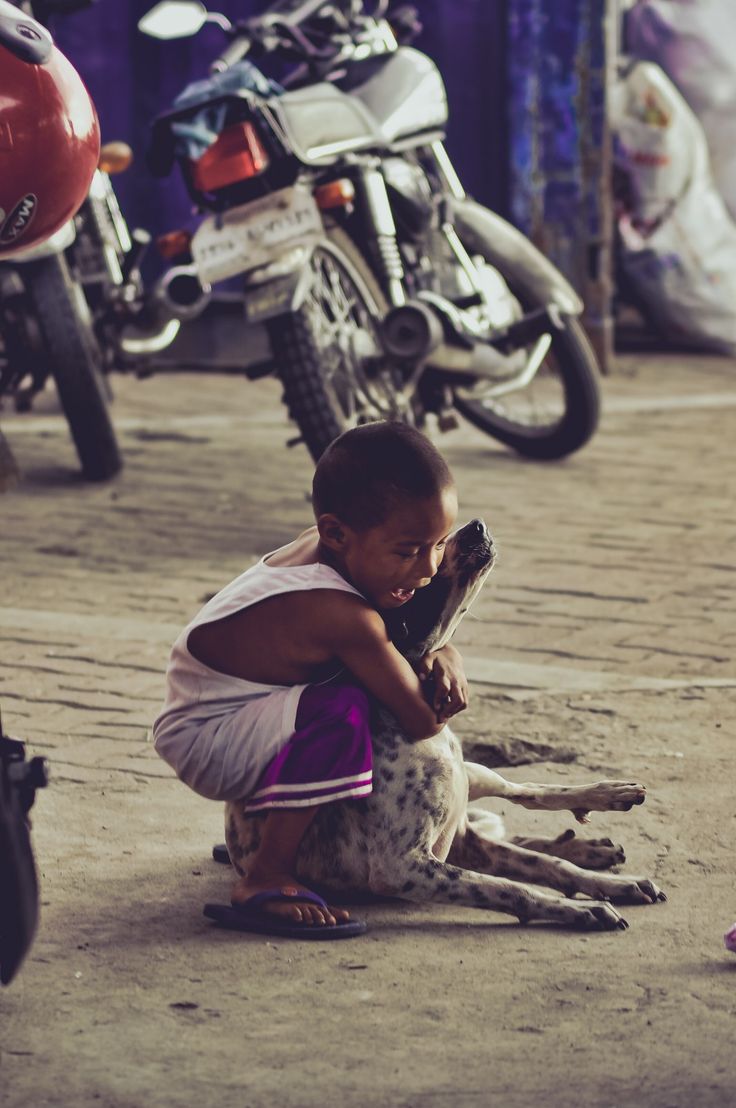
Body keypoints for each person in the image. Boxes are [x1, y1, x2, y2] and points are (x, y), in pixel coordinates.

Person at [152, 421, 468, 934]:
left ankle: (285, 825)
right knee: (343, 710)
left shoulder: (333, 553)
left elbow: (405, 641)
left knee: (346, 695)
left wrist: (446, 653)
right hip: (206, 737)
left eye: (438, 546)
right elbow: (421, 721)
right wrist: (439, 664)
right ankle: (266, 874)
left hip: (234, 706)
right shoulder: (344, 617)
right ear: (336, 532)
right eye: (408, 551)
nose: (429, 569)